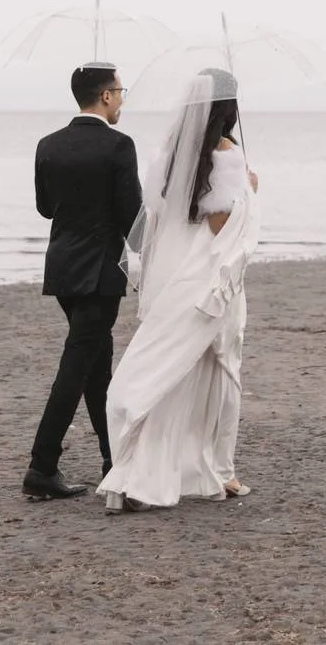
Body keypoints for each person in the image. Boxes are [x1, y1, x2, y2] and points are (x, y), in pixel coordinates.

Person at [97, 67, 258, 511]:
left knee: (175, 369)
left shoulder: (168, 154)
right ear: (228, 109)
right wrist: (247, 189)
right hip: (208, 279)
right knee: (218, 374)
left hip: (172, 275)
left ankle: (165, 468)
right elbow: (220, 221)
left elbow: (158, 214)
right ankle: (214, 470)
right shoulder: (226, 154)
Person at [23, 64, 143, 500]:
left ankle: (113, 460)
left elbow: (45, 208)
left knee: (96, 369)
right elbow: (134, 217)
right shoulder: (118, 146)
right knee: (76, 368)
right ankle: (41, 466)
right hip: (99, 272)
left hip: (62, 268)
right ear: (106, 96)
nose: (123, 99)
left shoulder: (48, 145)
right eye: (120, 91)